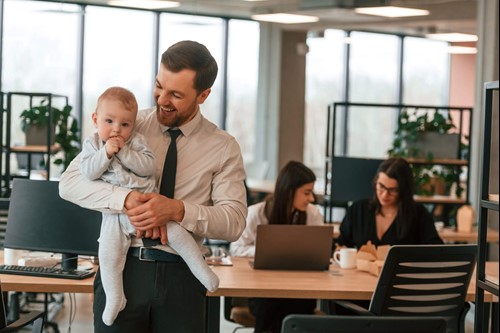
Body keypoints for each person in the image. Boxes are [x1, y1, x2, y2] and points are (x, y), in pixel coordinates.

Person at [59, 40, 247, 333]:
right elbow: (69, 183)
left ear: (204, 95)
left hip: (182, 278)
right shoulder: (126, 123)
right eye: (159, 86)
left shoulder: (223, 147)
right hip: (123, 269)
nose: (162, 100)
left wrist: (177, 210)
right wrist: (127, 199)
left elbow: (234, 222)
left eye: (176, 94)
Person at [79, 86, 219, 326]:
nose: (116, 129)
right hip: (117, 215)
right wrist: (106, 153)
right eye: (109, 121)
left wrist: (123, 153)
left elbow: (147, 167)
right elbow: (86, 174)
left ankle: (201, 270)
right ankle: (116, 297)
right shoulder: (92, 146)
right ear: (95, 119)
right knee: (109, 251)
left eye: (125, 124)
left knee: (177, 233)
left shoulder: (136, 141)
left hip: (150, 204)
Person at [230, 160, 324, 333]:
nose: (311, 199)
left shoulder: (313, 214)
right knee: (272, 305)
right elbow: (236, 248)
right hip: (264, 290)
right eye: (306, 193)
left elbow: (319, 251)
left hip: (300, 289)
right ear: (289, 192)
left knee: (295, 306)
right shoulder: (256, 213)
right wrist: (268, 251)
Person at [335, 157, 443, 248]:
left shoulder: (418, 215)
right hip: (359, 273)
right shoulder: (358, 209)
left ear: (403, 190)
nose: (384, 195)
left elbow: (435, 250)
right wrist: (339, 250)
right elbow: (341, 244)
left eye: (393, 190)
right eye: (381, 186)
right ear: (376, 182)